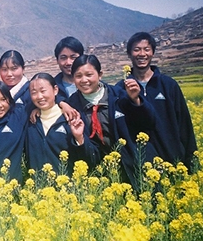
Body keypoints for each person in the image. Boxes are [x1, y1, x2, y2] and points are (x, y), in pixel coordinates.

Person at [67, 55, 158, 189]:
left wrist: (136, 101)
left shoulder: (119, 94)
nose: (84, 80)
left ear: (100, 75)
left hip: (135, 167)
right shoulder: (72, 105)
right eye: (78, 76)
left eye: (89, 74)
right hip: (103, 176)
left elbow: (149, 122)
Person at [116, 32, 198, 172]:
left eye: (146, 49)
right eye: (136, 49)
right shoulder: (120, 89)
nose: (142, 54)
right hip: (141, 167)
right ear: (129, 54)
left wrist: (192, 164)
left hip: (172, 162)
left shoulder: (168, 85)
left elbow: (184, 125)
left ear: (153, 53)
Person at [25, 73, 94, 176]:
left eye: (43, 91)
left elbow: (91, 159)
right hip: (38, 189)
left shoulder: (71, 118)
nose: (39, 96)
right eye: (34, 93)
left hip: (67, 188)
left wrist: (79, 139)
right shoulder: (30, 121)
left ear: (55, 90)